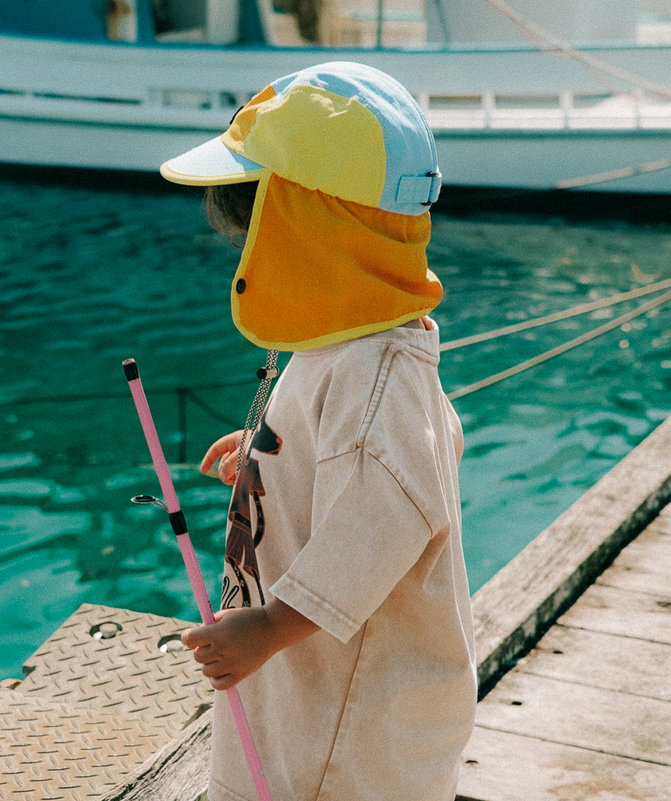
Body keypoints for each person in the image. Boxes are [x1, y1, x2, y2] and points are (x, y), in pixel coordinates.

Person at [163, 61, 476, 801]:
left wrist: (269, 628)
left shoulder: (376, 371)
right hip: (308, 702)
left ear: (309, 232)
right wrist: (272, 457)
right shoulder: (344, 338)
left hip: (349, 734)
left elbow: (386, 515)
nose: (247, 251)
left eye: (259, 229)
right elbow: (359, 465)